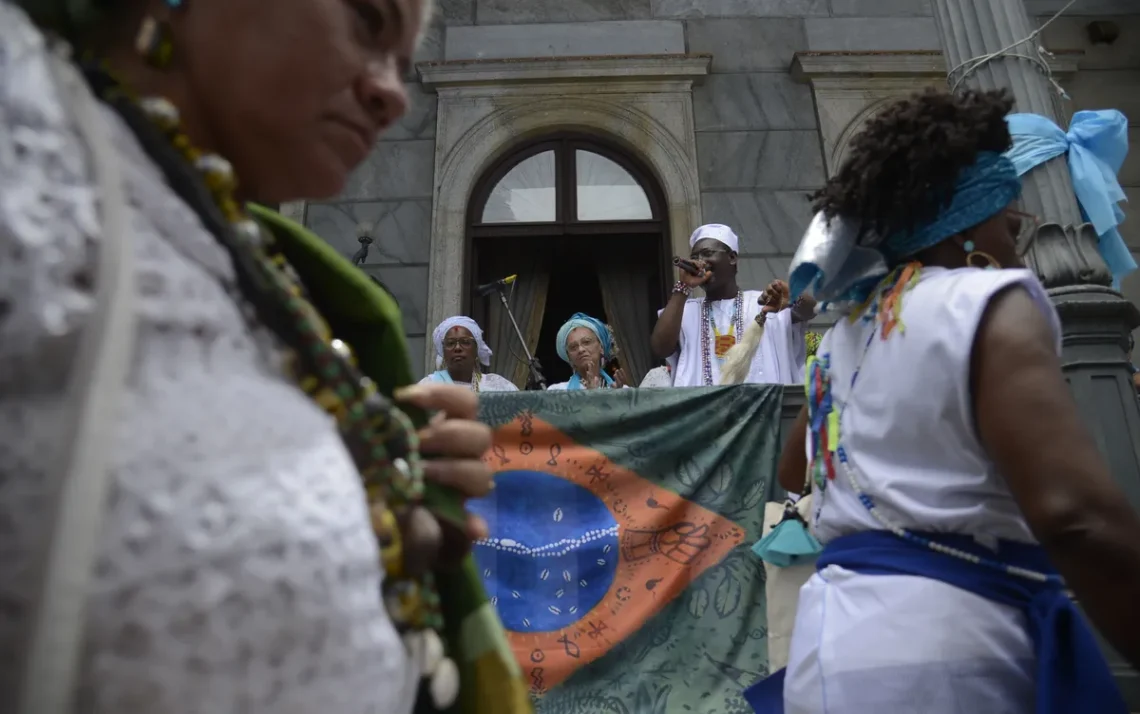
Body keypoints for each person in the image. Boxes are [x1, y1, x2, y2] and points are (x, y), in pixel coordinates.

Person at [0, 2, 526, 713]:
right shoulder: (28, 142)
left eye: (404, 67)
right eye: (368, 22)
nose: (394, 92)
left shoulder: (266, 274)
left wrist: (394, 523)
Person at [762, 88, 1140, 713]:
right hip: (947, 656)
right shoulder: (987, 301)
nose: (1019, 234)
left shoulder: (845, 334)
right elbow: (1074, 515)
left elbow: (791, 469)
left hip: (828, 650)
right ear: (969, 226)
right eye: (1010, 214)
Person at [651, 224, 813, 387]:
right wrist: (682, 288)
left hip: (761, 408)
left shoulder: (765, 302)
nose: (700, 262)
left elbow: (811, 310)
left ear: (732, 258)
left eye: (707, 253)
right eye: (695, 257)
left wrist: (793, 295)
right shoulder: (687, 311)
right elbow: (660, 349)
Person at [421, 316, 518, 392]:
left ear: (476, 349)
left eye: (465, 342)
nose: (457, 348)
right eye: (450, 343)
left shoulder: (497, 386)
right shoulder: (428, 386)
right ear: (443, 352)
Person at [548, 313, 627, 391]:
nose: (580, 349)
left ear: (601, 347)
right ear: (569, 357)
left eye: (586, 342)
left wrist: (617, 398)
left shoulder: (622, 390)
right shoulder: (557, 391)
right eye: (573, 347)